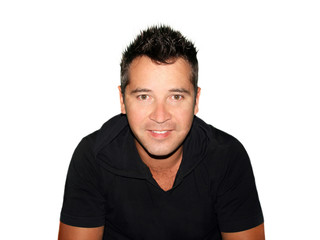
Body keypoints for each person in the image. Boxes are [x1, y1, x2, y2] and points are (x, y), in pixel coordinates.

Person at [58, 25, 264, 240]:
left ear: (196, 101)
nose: (160, 116)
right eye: (144, 96)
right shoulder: (93, 156)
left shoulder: (227, 157)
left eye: (176, 96)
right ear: (122, 100)